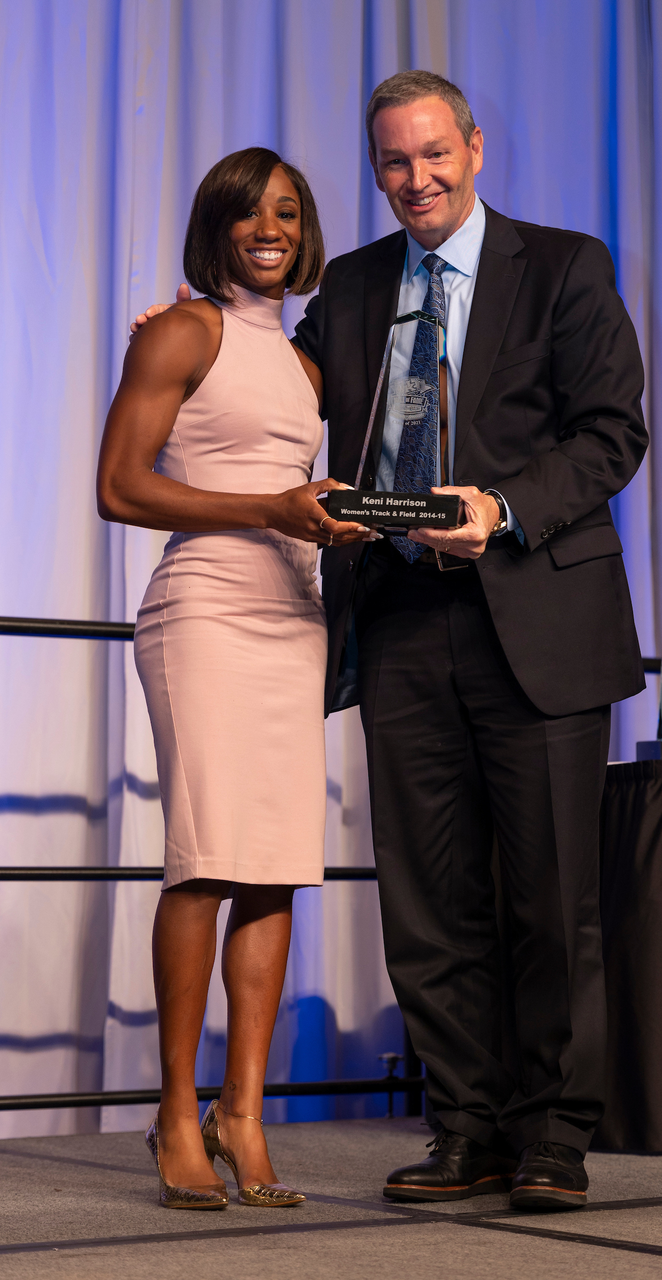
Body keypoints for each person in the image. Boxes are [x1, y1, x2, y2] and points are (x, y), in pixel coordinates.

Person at [135, 70, 648, 1213]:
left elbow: (613, 432)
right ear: (375, 171)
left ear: (472, 147)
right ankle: (462, 1123)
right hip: (401, 618)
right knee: (426, 893)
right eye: (391, 164)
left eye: (432, 155)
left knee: (549, 891)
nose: (414, 180)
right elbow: (270, 374)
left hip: (537, 614)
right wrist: (183, 335)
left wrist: (501, 509)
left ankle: (552, 1134)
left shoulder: (565, 266)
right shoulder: (357, 286)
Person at [98, 147, 373, 1210]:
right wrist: (267, 506)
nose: (272, 226)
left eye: (290, 212)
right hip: (205, 609)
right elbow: (121, 486)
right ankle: (175, 1107)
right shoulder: (182, 331)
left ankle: (243, 1109)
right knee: (206, 858)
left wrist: (328, 515)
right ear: (215, 226)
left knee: (273, 865)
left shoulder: (308, 366)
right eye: (252, 211)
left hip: (291, 614)